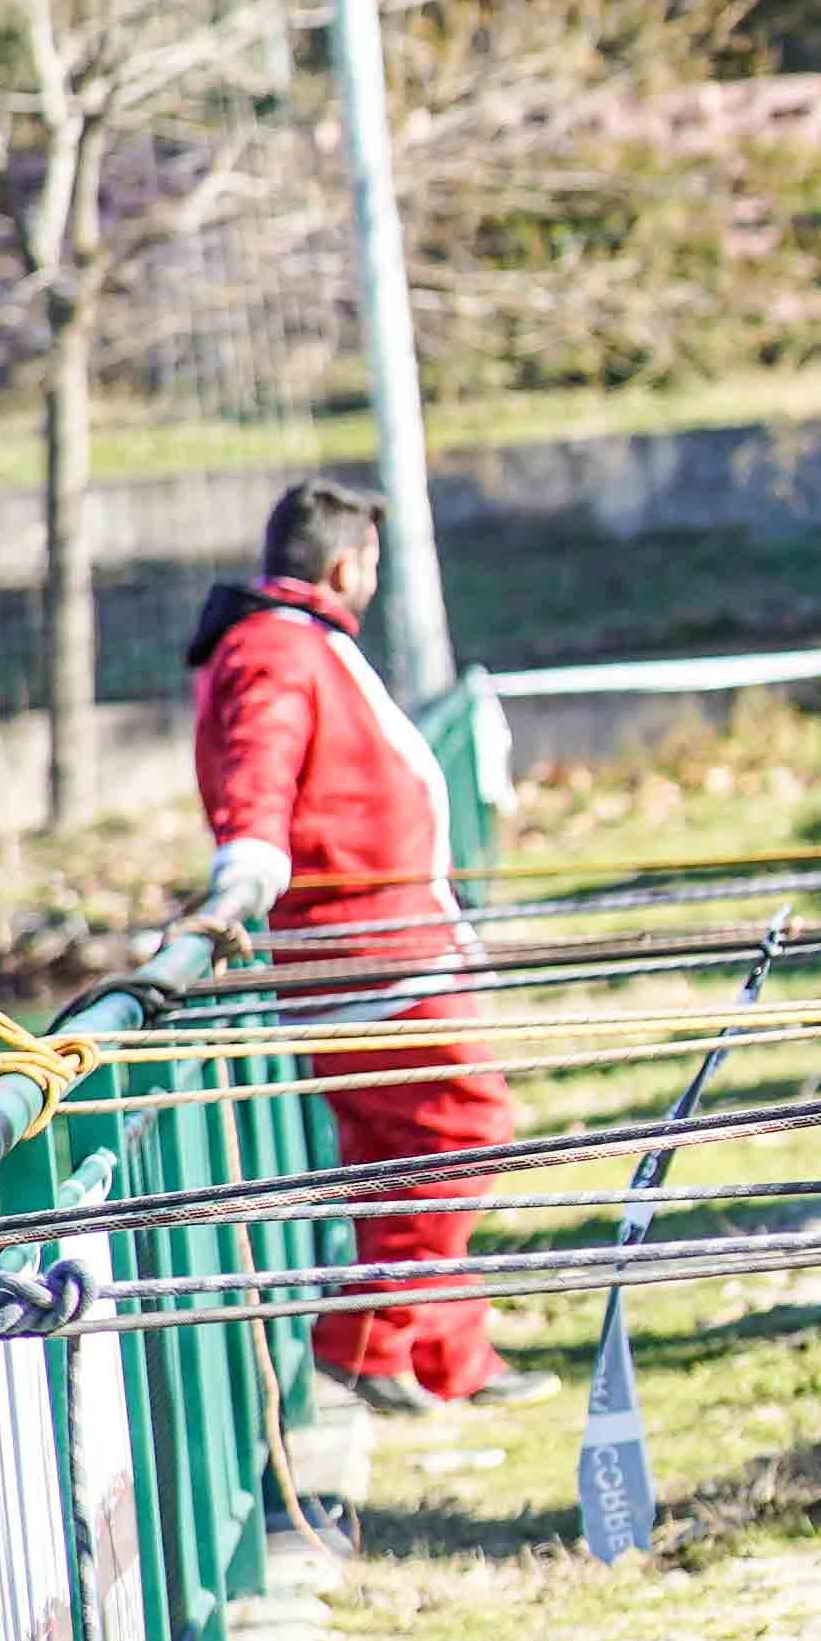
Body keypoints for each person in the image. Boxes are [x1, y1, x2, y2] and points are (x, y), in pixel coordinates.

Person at [188, 480, 520, 1412]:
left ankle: (450, 1356)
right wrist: (246, 863)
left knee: (402, 1156)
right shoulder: (276, 648)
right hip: (374, 956)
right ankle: (365, 1339)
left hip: (375, 947)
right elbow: (262, 764)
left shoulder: (290, 639)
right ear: (347, 565)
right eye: (371, 562)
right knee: (465, 1128)